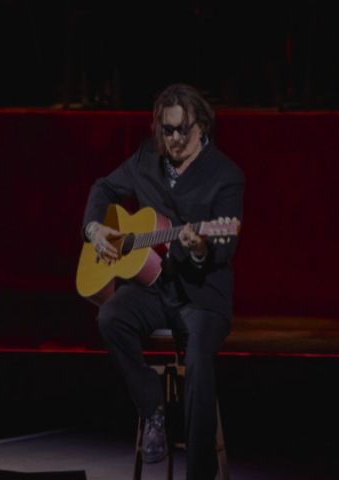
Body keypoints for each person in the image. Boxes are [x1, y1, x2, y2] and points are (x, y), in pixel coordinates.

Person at [81, 83, 244, 479]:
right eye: (165, 130)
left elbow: (223, 251)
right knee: (111, 317)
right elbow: (102, 187)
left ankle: (199, 473)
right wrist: (95, 230)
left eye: (180, 130)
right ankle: (151, 407)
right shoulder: (145, 159)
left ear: (201, 126)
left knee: (199, 360)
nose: (172, 139)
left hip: (202, 295)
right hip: (156, 288)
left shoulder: (226, 175)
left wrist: (201, 247)